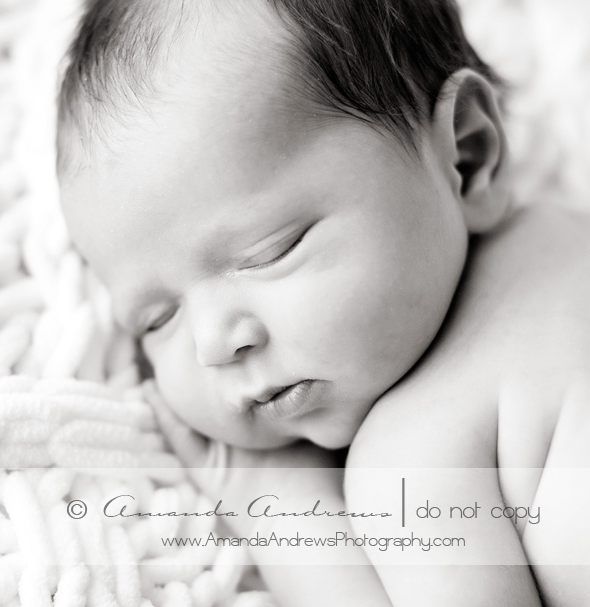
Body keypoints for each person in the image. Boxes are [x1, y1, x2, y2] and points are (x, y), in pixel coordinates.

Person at [56, 0, 590, 605]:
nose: (213, 343)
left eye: (270, 251)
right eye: (158, 319)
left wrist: (269, 500)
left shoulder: (416, 454)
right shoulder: (568, 238)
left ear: (465, 157)